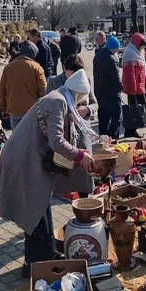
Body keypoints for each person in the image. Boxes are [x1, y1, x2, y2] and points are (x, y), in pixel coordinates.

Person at [0, 70, 96, 278]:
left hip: (31, 158)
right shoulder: (57, 102)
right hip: (23, 159)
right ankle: (32, 265)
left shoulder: (60, 98)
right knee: (34, 213)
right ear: (79, 94)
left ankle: (48, 253)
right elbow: (56, 141)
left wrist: (80, 151)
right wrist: (79, 155)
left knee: (42, 206)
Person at [47, 57, 98, 198]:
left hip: (82, 130)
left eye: (78, 72)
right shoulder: (54, 82)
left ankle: (84, 199)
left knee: (84, 165)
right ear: (64, 69)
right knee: (64, 164)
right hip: (63, 131)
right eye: (72, 73)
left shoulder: (86, 80)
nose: (76, 76)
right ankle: (60, 193)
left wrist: (87, 109)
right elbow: (49, 107)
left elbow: (95, 103)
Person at [0, 41, 47, 129]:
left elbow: (2, 89)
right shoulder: (36, 68)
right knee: (32, 135)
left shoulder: (8, 67)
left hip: (14, 109)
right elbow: (43, 89)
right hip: (32, 110)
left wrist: (3, 107)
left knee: (16, 135)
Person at [93, 35, 123, 139]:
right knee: (117, 115)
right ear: (113, 47)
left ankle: (103, 138)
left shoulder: (97, 56)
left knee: (103, 117)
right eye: (117, 48)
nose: (117, 50)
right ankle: (112, 137)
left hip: (99, 92)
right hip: (111, 93)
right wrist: (120, 87)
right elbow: (115, 77)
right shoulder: (111, 59)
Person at [122, 33, 146, 137]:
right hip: (134, 87)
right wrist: (133, 89)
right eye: (141, 46)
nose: (142, 48)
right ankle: (131, 130)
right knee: (134, 109)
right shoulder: (130, 53)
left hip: (139, 85)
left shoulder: (137, 52)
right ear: (137, 44)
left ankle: (131, 130)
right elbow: (130, 74)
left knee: (136, 108)